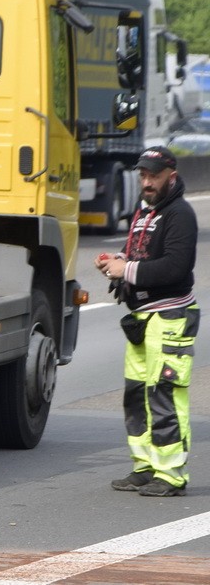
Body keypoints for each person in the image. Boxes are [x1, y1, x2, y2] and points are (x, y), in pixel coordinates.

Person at [95, 145, 199, 497]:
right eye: (142, 175)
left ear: (172, 176)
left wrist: (128, 269)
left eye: (154, 175)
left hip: (171, 317)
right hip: (142, 318)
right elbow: (140, 255)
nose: (147, 182)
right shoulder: (144, 212)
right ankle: (145, 467)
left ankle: (171, 475)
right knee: (136, 396)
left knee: (164, 395)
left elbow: (175, 267)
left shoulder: (180, 214)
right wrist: (117, 263)